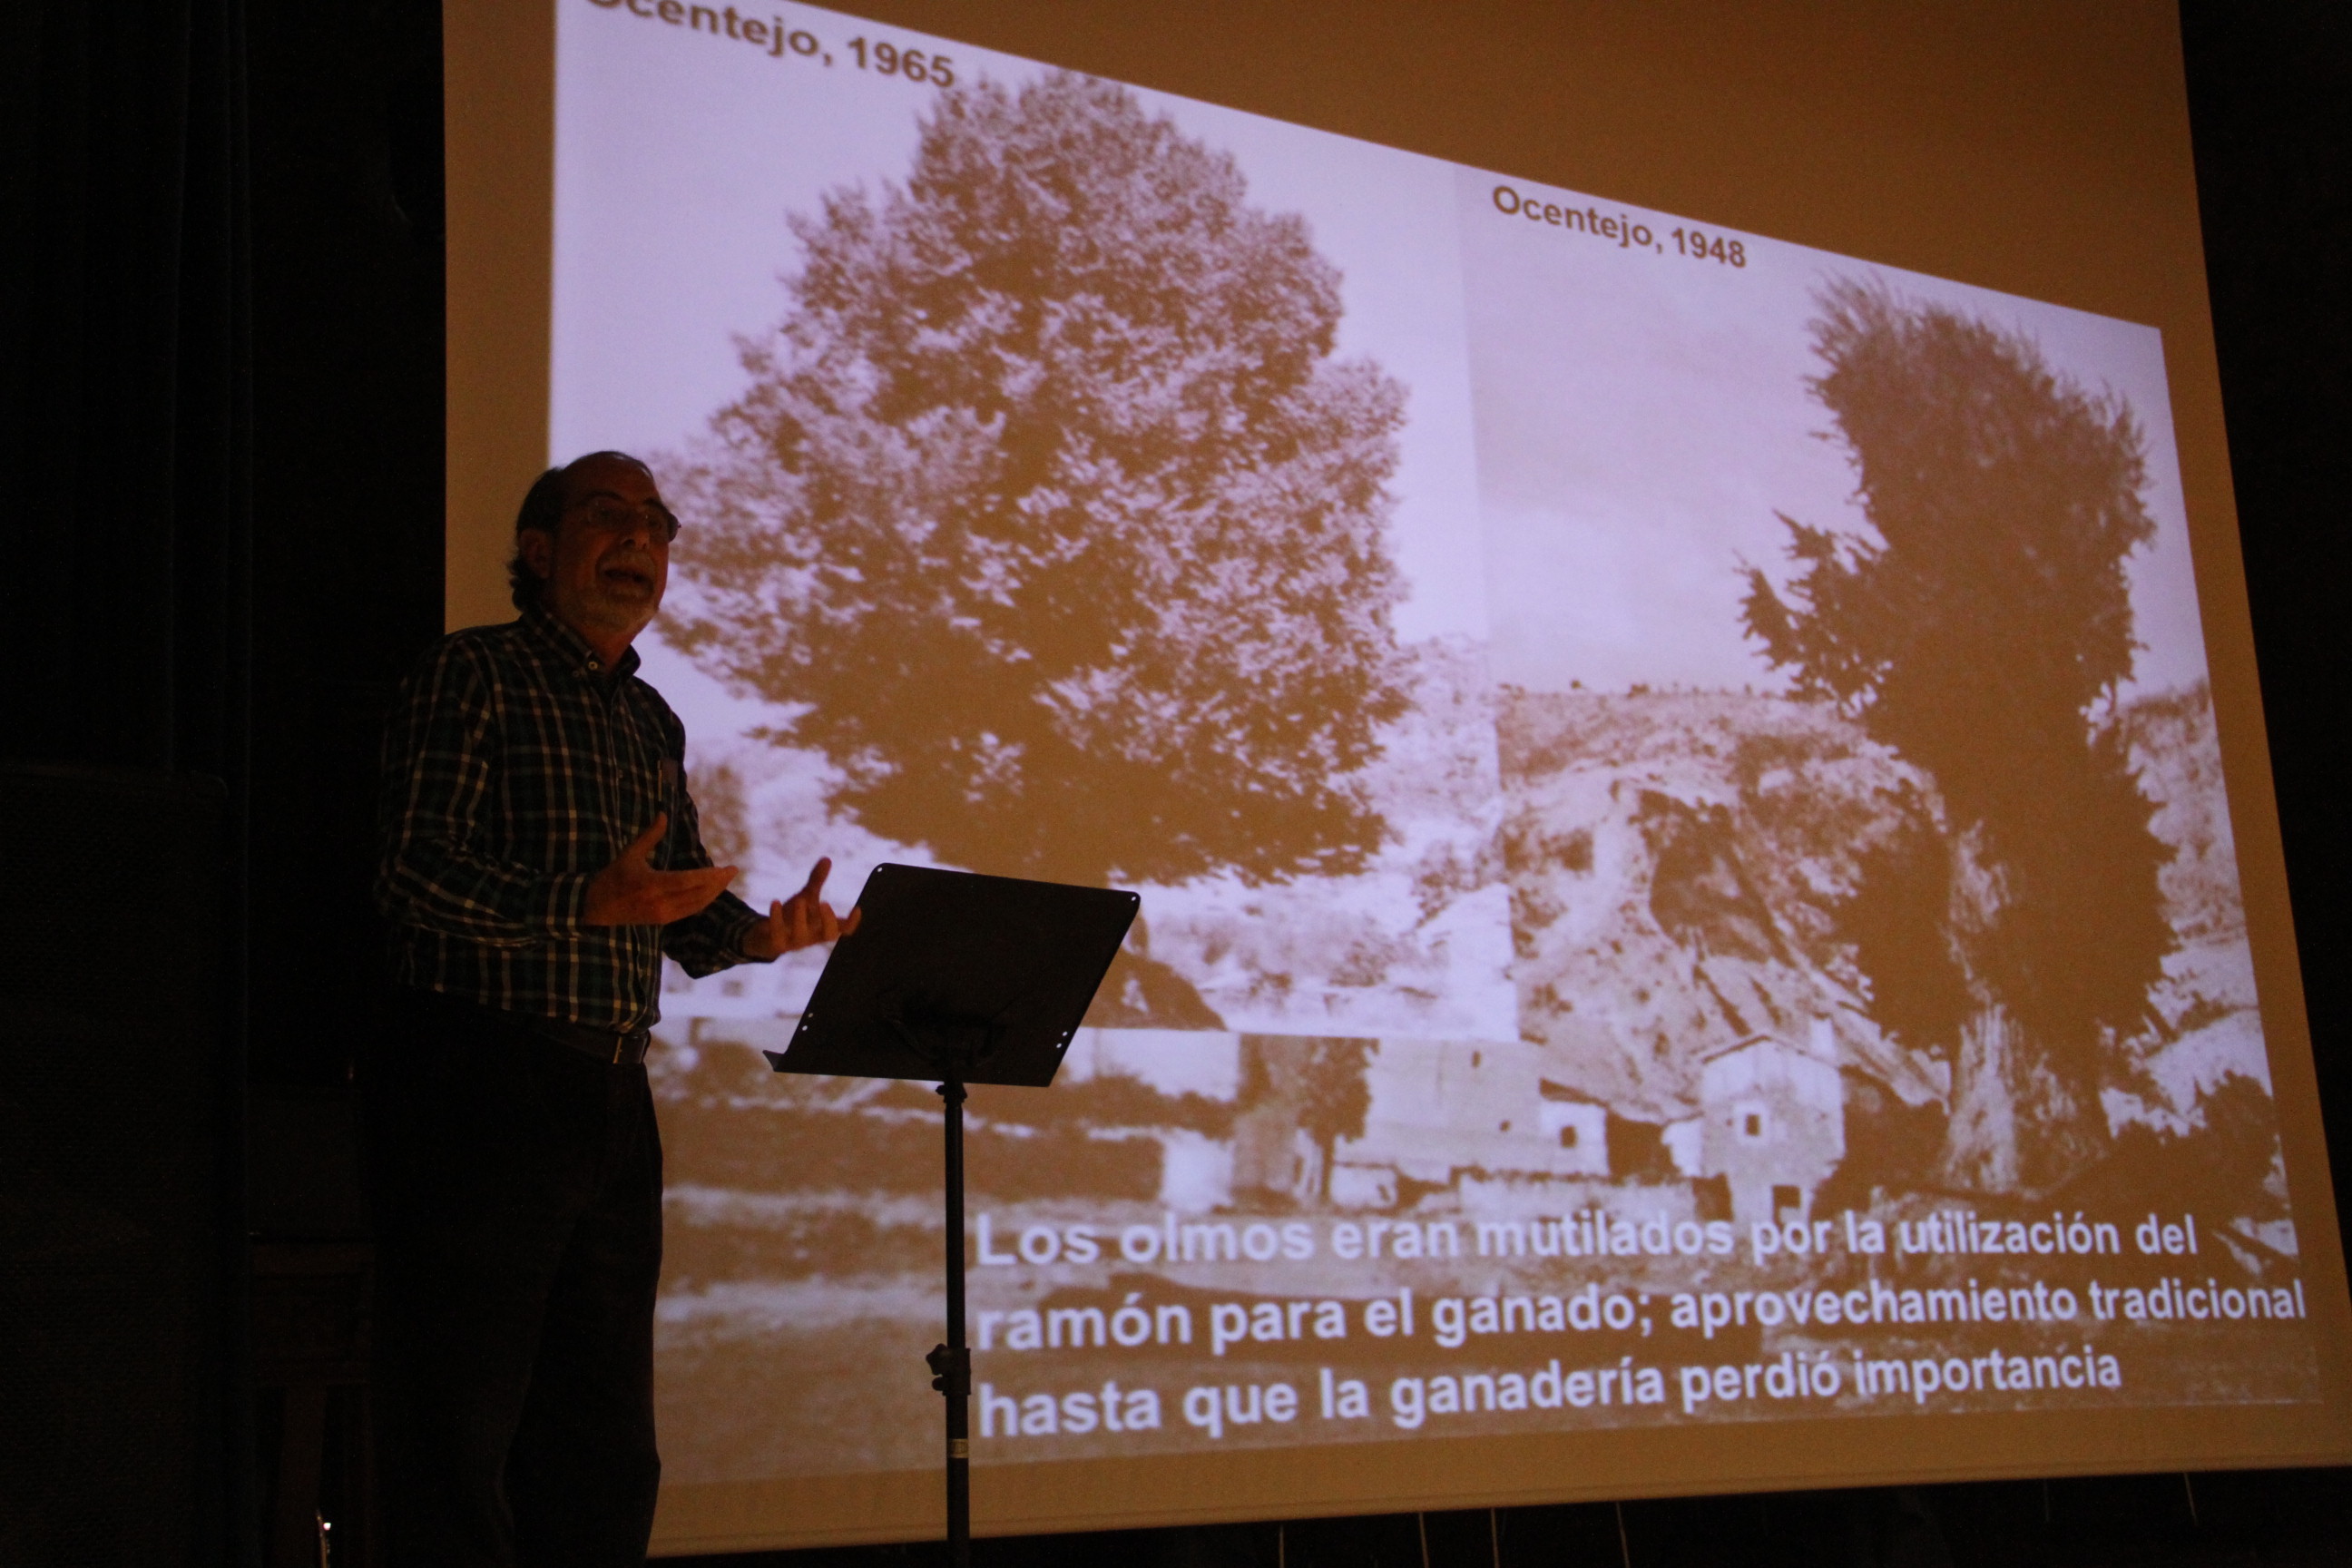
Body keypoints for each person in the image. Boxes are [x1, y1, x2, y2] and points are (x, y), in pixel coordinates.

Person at [366, 450, 858, 1566]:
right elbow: (411, 874)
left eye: (658, 523)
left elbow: (672, 903)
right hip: (476, 1082)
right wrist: (579, 902)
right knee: (459, 1436)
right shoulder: (472, 674)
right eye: (608, 515)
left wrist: (761, 935)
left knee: (605, 1449)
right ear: (539, 551)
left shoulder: (649, 719)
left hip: (610, 1095)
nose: (641, 538)